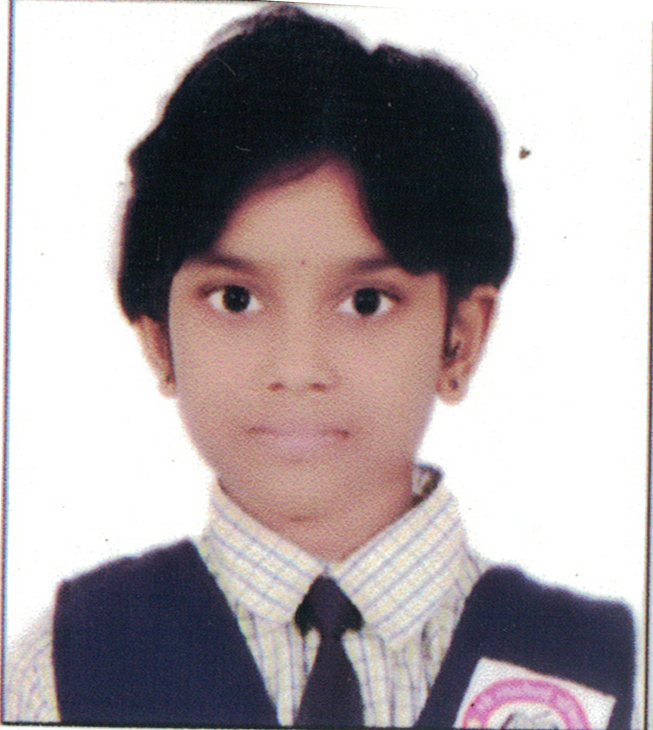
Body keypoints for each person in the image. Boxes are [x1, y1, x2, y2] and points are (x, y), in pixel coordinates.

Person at [5, 5, 635, 728]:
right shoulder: (66, 668)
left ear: (459, 339)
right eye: (236, 299)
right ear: (159, 341)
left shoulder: (608, 666)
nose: (298, 367)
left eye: (366, 302)